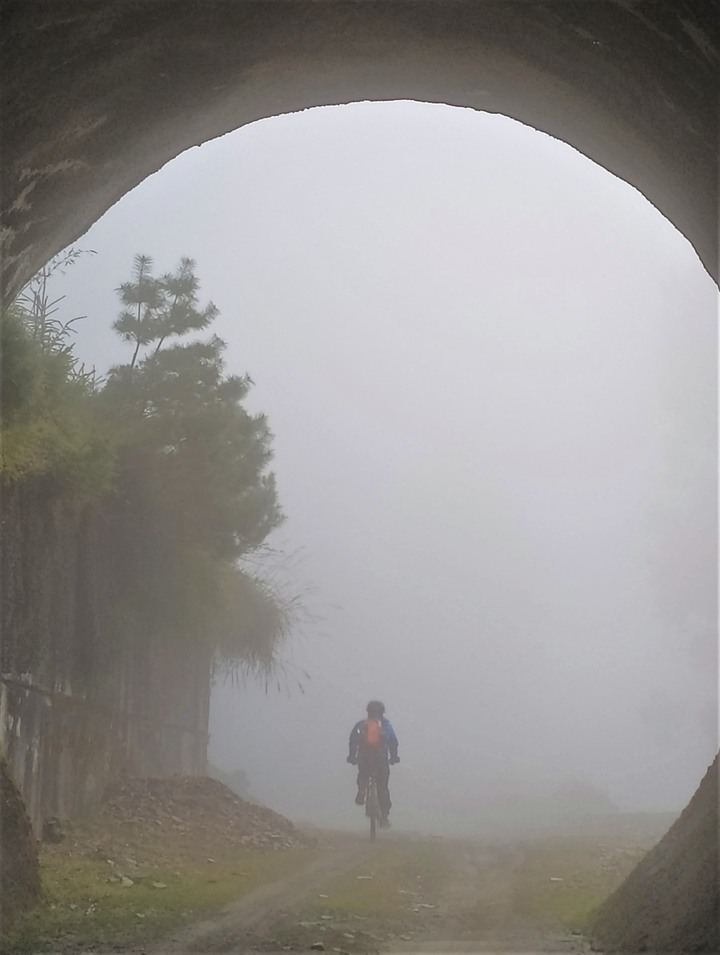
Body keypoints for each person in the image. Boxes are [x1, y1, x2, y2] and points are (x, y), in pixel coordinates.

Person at [347, 700, 399, 828]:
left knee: (363, 773)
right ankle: (384, 817)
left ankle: (362, 790)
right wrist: (394, 757)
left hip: (364, 757)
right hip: (381, 759)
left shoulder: (361, 724)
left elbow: (353, 740)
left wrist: (352, 756)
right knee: (383, 787)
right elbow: (393, 741)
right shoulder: (386, 725)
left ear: (368, 712)